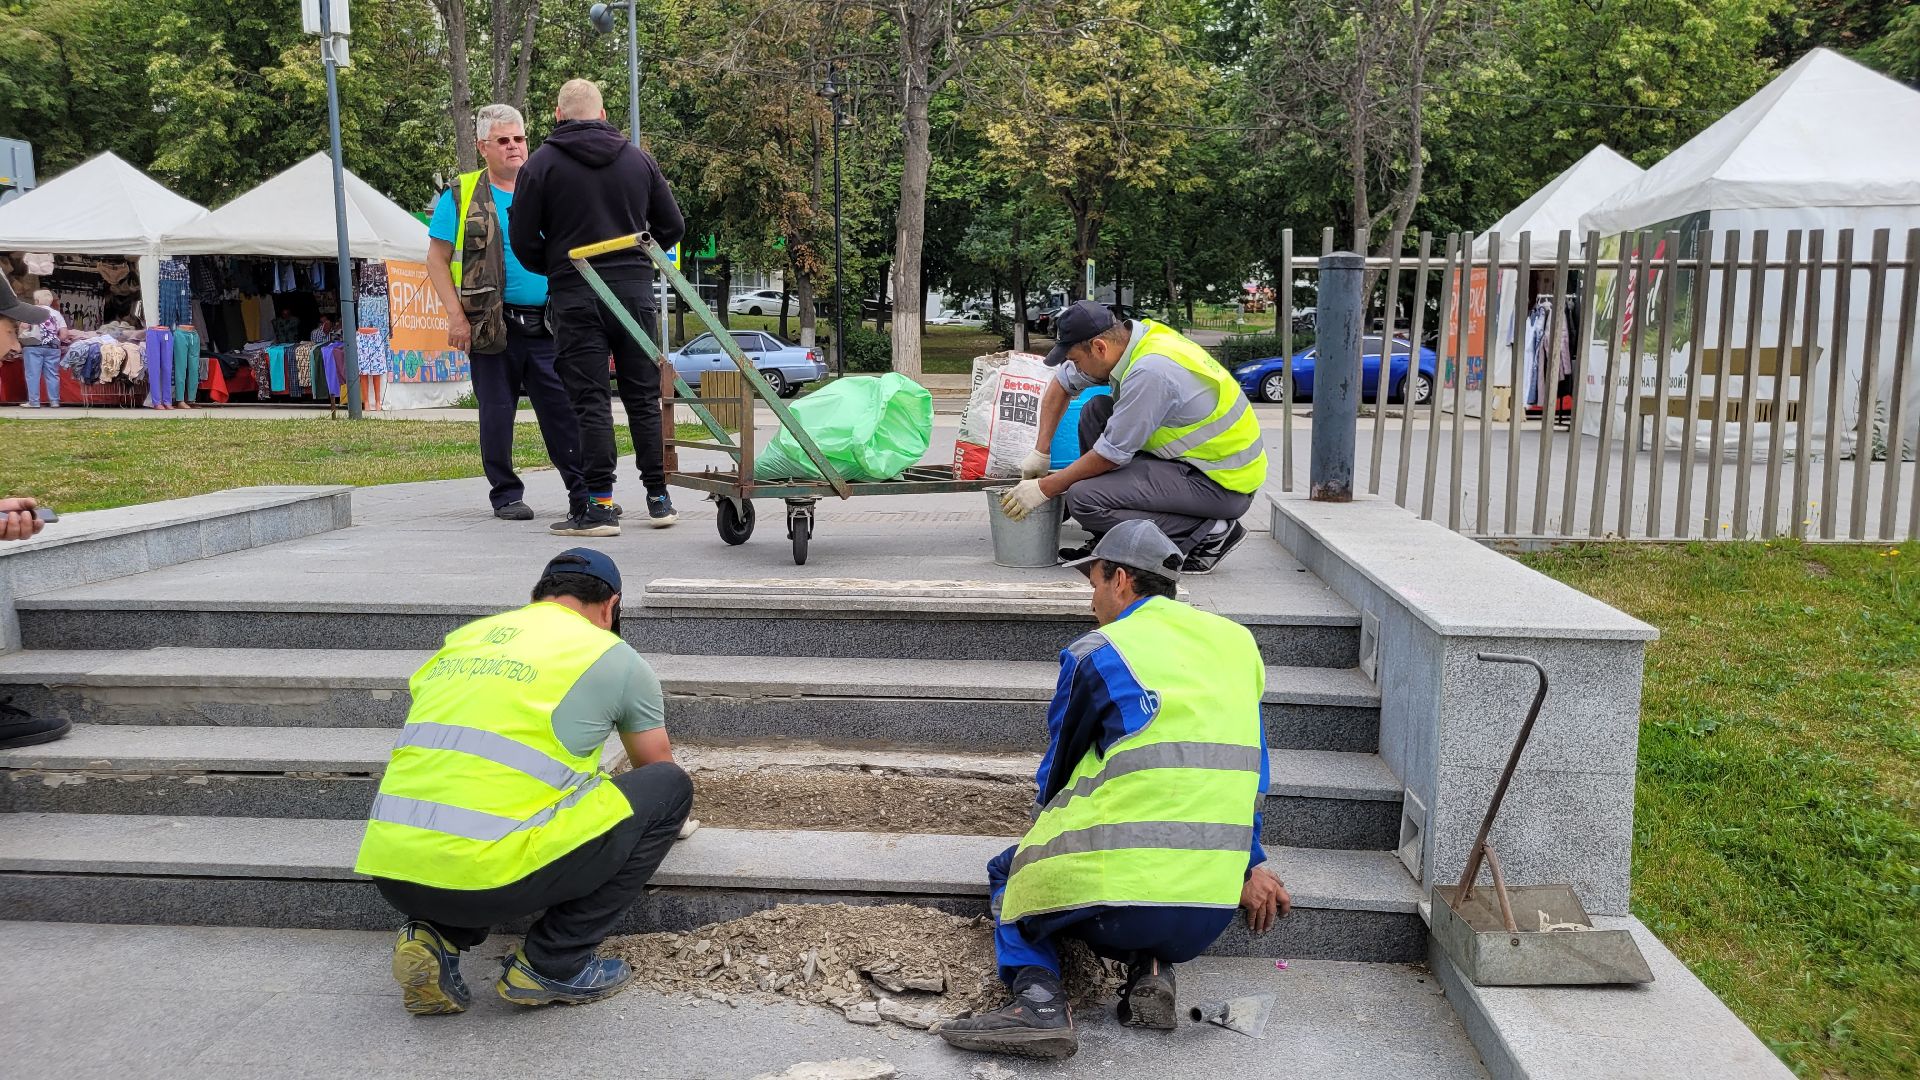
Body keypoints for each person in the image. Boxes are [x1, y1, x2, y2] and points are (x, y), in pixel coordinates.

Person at [937, 521, 1290, 1060]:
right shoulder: (1239, 645)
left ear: (1120, 579)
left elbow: (1056, 775)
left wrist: (1041, 845)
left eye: (1095, 583)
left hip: (1120, 902)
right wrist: (1250, 862)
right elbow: (1249, 771)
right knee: (1152, 872)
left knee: (1012, 871)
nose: (1092, 600)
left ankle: (1038, 1004)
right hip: (1208, 909)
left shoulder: (1100, 651)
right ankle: (1151, 972)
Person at [353, 548, 693, 1014]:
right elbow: (653, 763)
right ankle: (553, 962)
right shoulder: (613, 655)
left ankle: (434, 935)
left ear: (537, 596)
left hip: (393, 872)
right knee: (670, 788)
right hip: (491, 881)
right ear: (611, 605)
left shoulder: (466, 639)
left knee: (484, 804)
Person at [510, 78, 687, 536]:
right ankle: (659, 498)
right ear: (603, 114)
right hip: (633, 291)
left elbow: (523, 239)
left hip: (575, 291)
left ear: (557, 114)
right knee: (642, 397)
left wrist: (555, 266)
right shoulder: (638, 160)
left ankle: (599, 507)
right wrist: (637, 257)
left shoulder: (540, 165)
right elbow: (672, 224)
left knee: (590, 402)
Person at [1000, 300, 1268, 574]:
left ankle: (1211, 531)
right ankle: (1108, 536)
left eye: (1076, 361)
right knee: (1097, 410)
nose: (1074, 368)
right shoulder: (1133, 339)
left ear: (1099, 348)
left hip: (1222, 484)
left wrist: (1045, 489)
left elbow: (1109, 455)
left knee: (1084, 498)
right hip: (1193, 464)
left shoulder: (1151, 371)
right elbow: (1061, 384)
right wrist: (1041, 452)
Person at [426, 103, 589, 524]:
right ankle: (506, 494)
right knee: (496, 414)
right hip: (490, 326)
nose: (514, 147)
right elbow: (436, 259)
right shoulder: (461, 194)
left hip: (549, 325)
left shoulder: (549, 188)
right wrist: (454, 316)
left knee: (564, 413)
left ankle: (584, 491)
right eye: (503, 140)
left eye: (519, 138)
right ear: (483, 146)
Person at [19, 289, 66, 409]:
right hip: (53, 348)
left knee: (33, 375)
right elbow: (64, 334)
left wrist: (22, 334)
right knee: (52, 374)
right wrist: (54, 340)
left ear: (37, 300)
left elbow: (24, 326)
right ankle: (54, 401)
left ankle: (34, 402)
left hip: (34, 347)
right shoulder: (57, 314)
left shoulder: (32, 312)